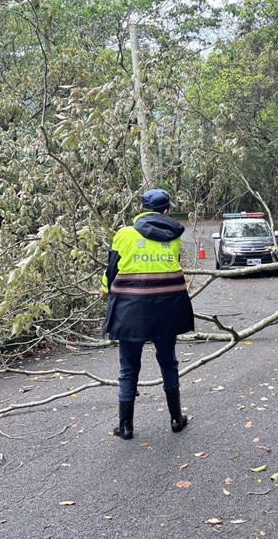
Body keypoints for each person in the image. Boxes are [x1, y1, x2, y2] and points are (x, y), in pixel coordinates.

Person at [100, 188, 195, 439]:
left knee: (129, 367)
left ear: (141, 209)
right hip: (167, 309)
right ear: (166, 211)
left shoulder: (123, 234)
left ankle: (126, 426)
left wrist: (104, 290)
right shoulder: (174, 237)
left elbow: (112, 271)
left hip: (131, 311)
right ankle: (176, 419)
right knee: (168, 362)